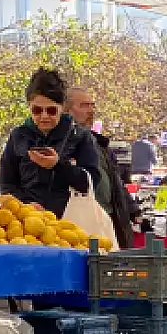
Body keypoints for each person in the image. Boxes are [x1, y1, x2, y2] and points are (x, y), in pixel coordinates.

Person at [0, 67, 101, 217]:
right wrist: (24, 204)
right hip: (27, 222)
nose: (44, 116)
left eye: (51, 111)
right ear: (29, 107)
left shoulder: (80, 137)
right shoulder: (19, 135)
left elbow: (91, 183)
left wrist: (58, 166)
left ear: (62, 108)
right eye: (37, 111)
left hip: (69, 223)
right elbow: (5, 182)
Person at [66, 86, 136, 248]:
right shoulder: (64, 143)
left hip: (109, 217)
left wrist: (133, 209)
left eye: (92, 105)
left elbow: (116, 182)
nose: (90, 110)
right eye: (84, 105)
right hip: (80, 219)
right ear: (66, 110)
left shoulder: (101, 144)